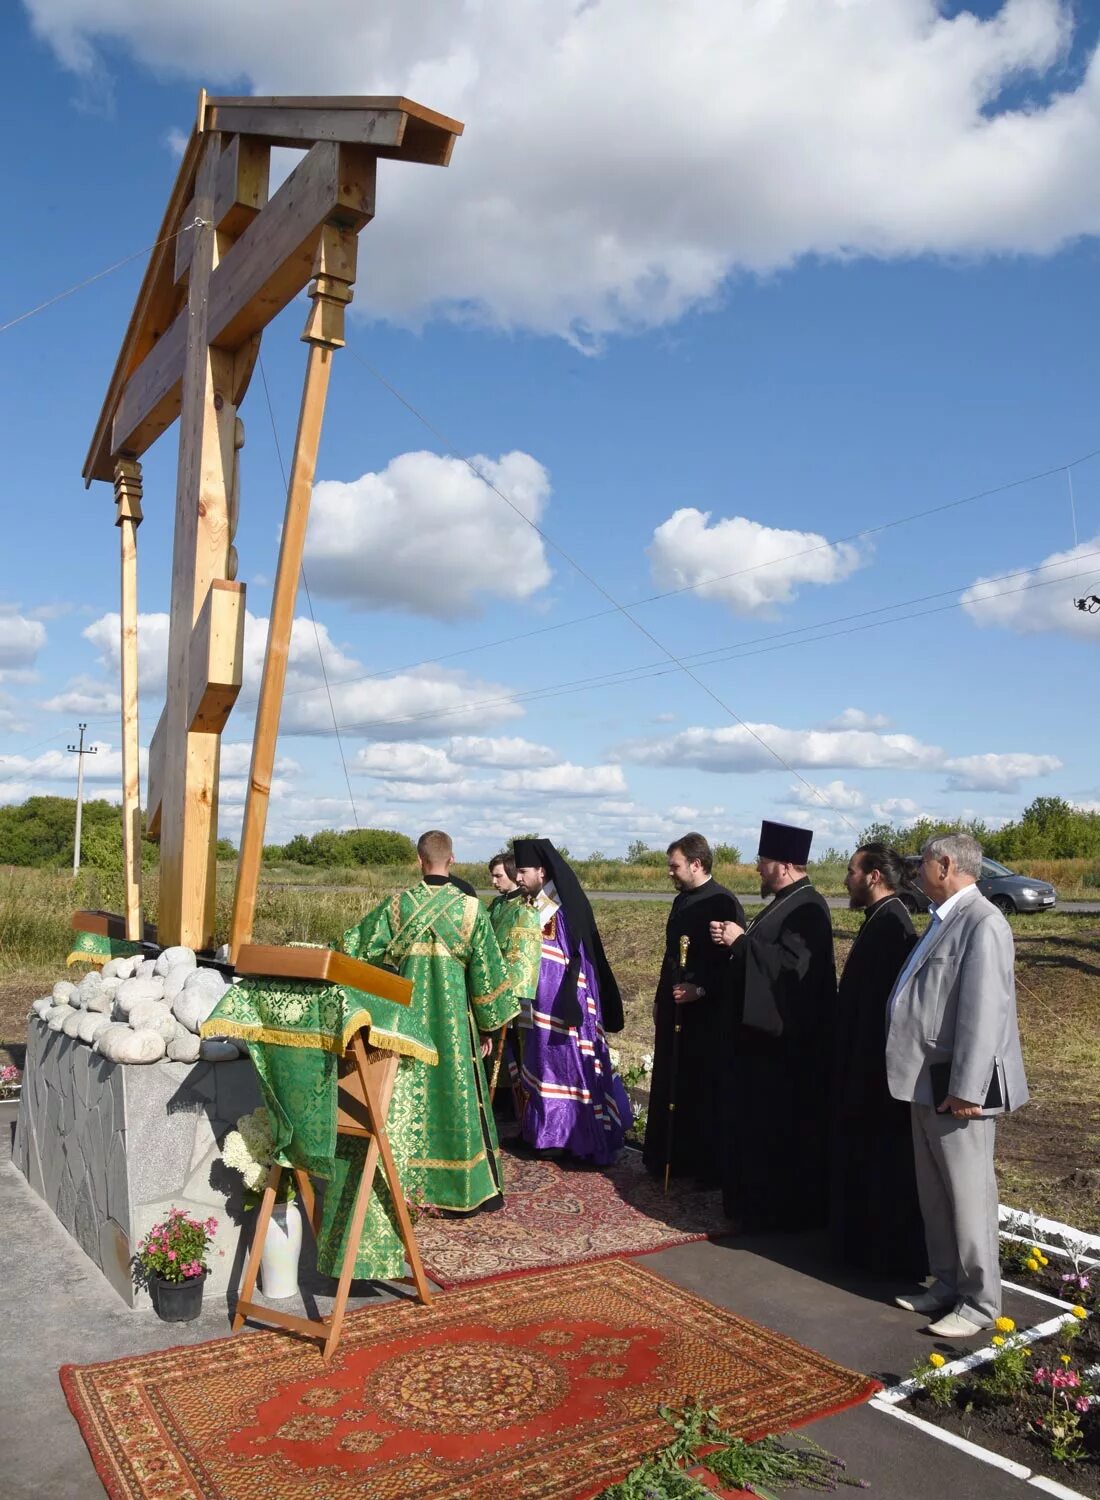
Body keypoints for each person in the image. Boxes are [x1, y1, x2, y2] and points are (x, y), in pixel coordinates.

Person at [317, 830, 518, 1280]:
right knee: (455, 1098)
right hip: (452, 1029)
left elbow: (351, 948)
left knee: (405, 1101)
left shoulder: (397, 906)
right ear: (453, 858)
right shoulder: (470, 911)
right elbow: (488, 978)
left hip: (404, 1028)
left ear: (417, 861)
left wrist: (385, 983)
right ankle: (462, 1191)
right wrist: (490, 1023)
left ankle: (403, 1187)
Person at [886, 832, 1028, 1337]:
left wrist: (969, 1088)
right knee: (936, 1195)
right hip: (926, 1082)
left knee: (969, 1196)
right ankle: (946, 1281)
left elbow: (984, 1013)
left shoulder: (984, 923)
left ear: (945, 865)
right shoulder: (944, 918)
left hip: (957, 1089)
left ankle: (981, 1302)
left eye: (922, 864)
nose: (916, 872)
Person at [710, 820, 836, 1232]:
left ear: (783, 865)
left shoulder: (808, 907)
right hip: (760, 1044)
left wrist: (741, 943)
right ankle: (748, 1204)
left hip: (782, 1049)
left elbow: (792, 971)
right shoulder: (786, 900)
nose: (758, 869)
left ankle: (768, 1212)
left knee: (772, 1131)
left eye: (763, 862)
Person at [829, 842, 925, 1278]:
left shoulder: (891, 925)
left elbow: (881, 1009)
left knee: (880, 1163)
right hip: (861, 1063)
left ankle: (881, 1256)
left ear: (873, 876)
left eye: (852, 871)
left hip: (874, 1072)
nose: (846, 879)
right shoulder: (879, 919)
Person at [512, 837, 632, 1163]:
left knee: (569, 1069)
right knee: (545, 1068)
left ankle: (577, 1140)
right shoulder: (540, 903)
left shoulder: (555, 909)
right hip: (544, 1006)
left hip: (562, 1005)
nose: (518, 877)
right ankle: (548, 1135)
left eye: (523, 871)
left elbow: (556, 960)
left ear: (541, 870)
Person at [643, 833, 744, 1185]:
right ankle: (666, 1155)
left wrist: (700, 989)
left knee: (699, 1086)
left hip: (706, 1013)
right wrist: (660, 997)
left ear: (697, 864)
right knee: (670, 1079)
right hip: (675, 1004)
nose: (670, 872)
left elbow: (731, 964)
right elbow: (670, 955)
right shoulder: (681, 900)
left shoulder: (723, 902)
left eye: (675, 866)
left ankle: (699, 1165)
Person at [485, 850, 542, 1107]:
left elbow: (522, 956)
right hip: (490, 984)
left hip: (513, 989)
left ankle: (515, 1103)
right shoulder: (497, 904)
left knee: (513, 1047)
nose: (494, 882)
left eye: (498, 876)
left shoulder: (525, 908)